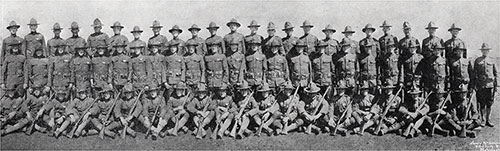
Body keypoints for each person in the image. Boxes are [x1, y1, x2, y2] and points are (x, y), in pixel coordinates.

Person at [472, 43, 498, 127]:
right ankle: (483, 119)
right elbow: (474, 73)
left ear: (488, 51)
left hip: (490, 85)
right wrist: (475, 85)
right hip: (481, 85)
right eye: (483, 50)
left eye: (486, 50)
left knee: (489, 103)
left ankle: (488, 119)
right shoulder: (477, 60)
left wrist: (497, 86)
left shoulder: (492, 60)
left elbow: (496, 73)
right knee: (482, 103)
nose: (485, 52)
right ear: (481, 51)